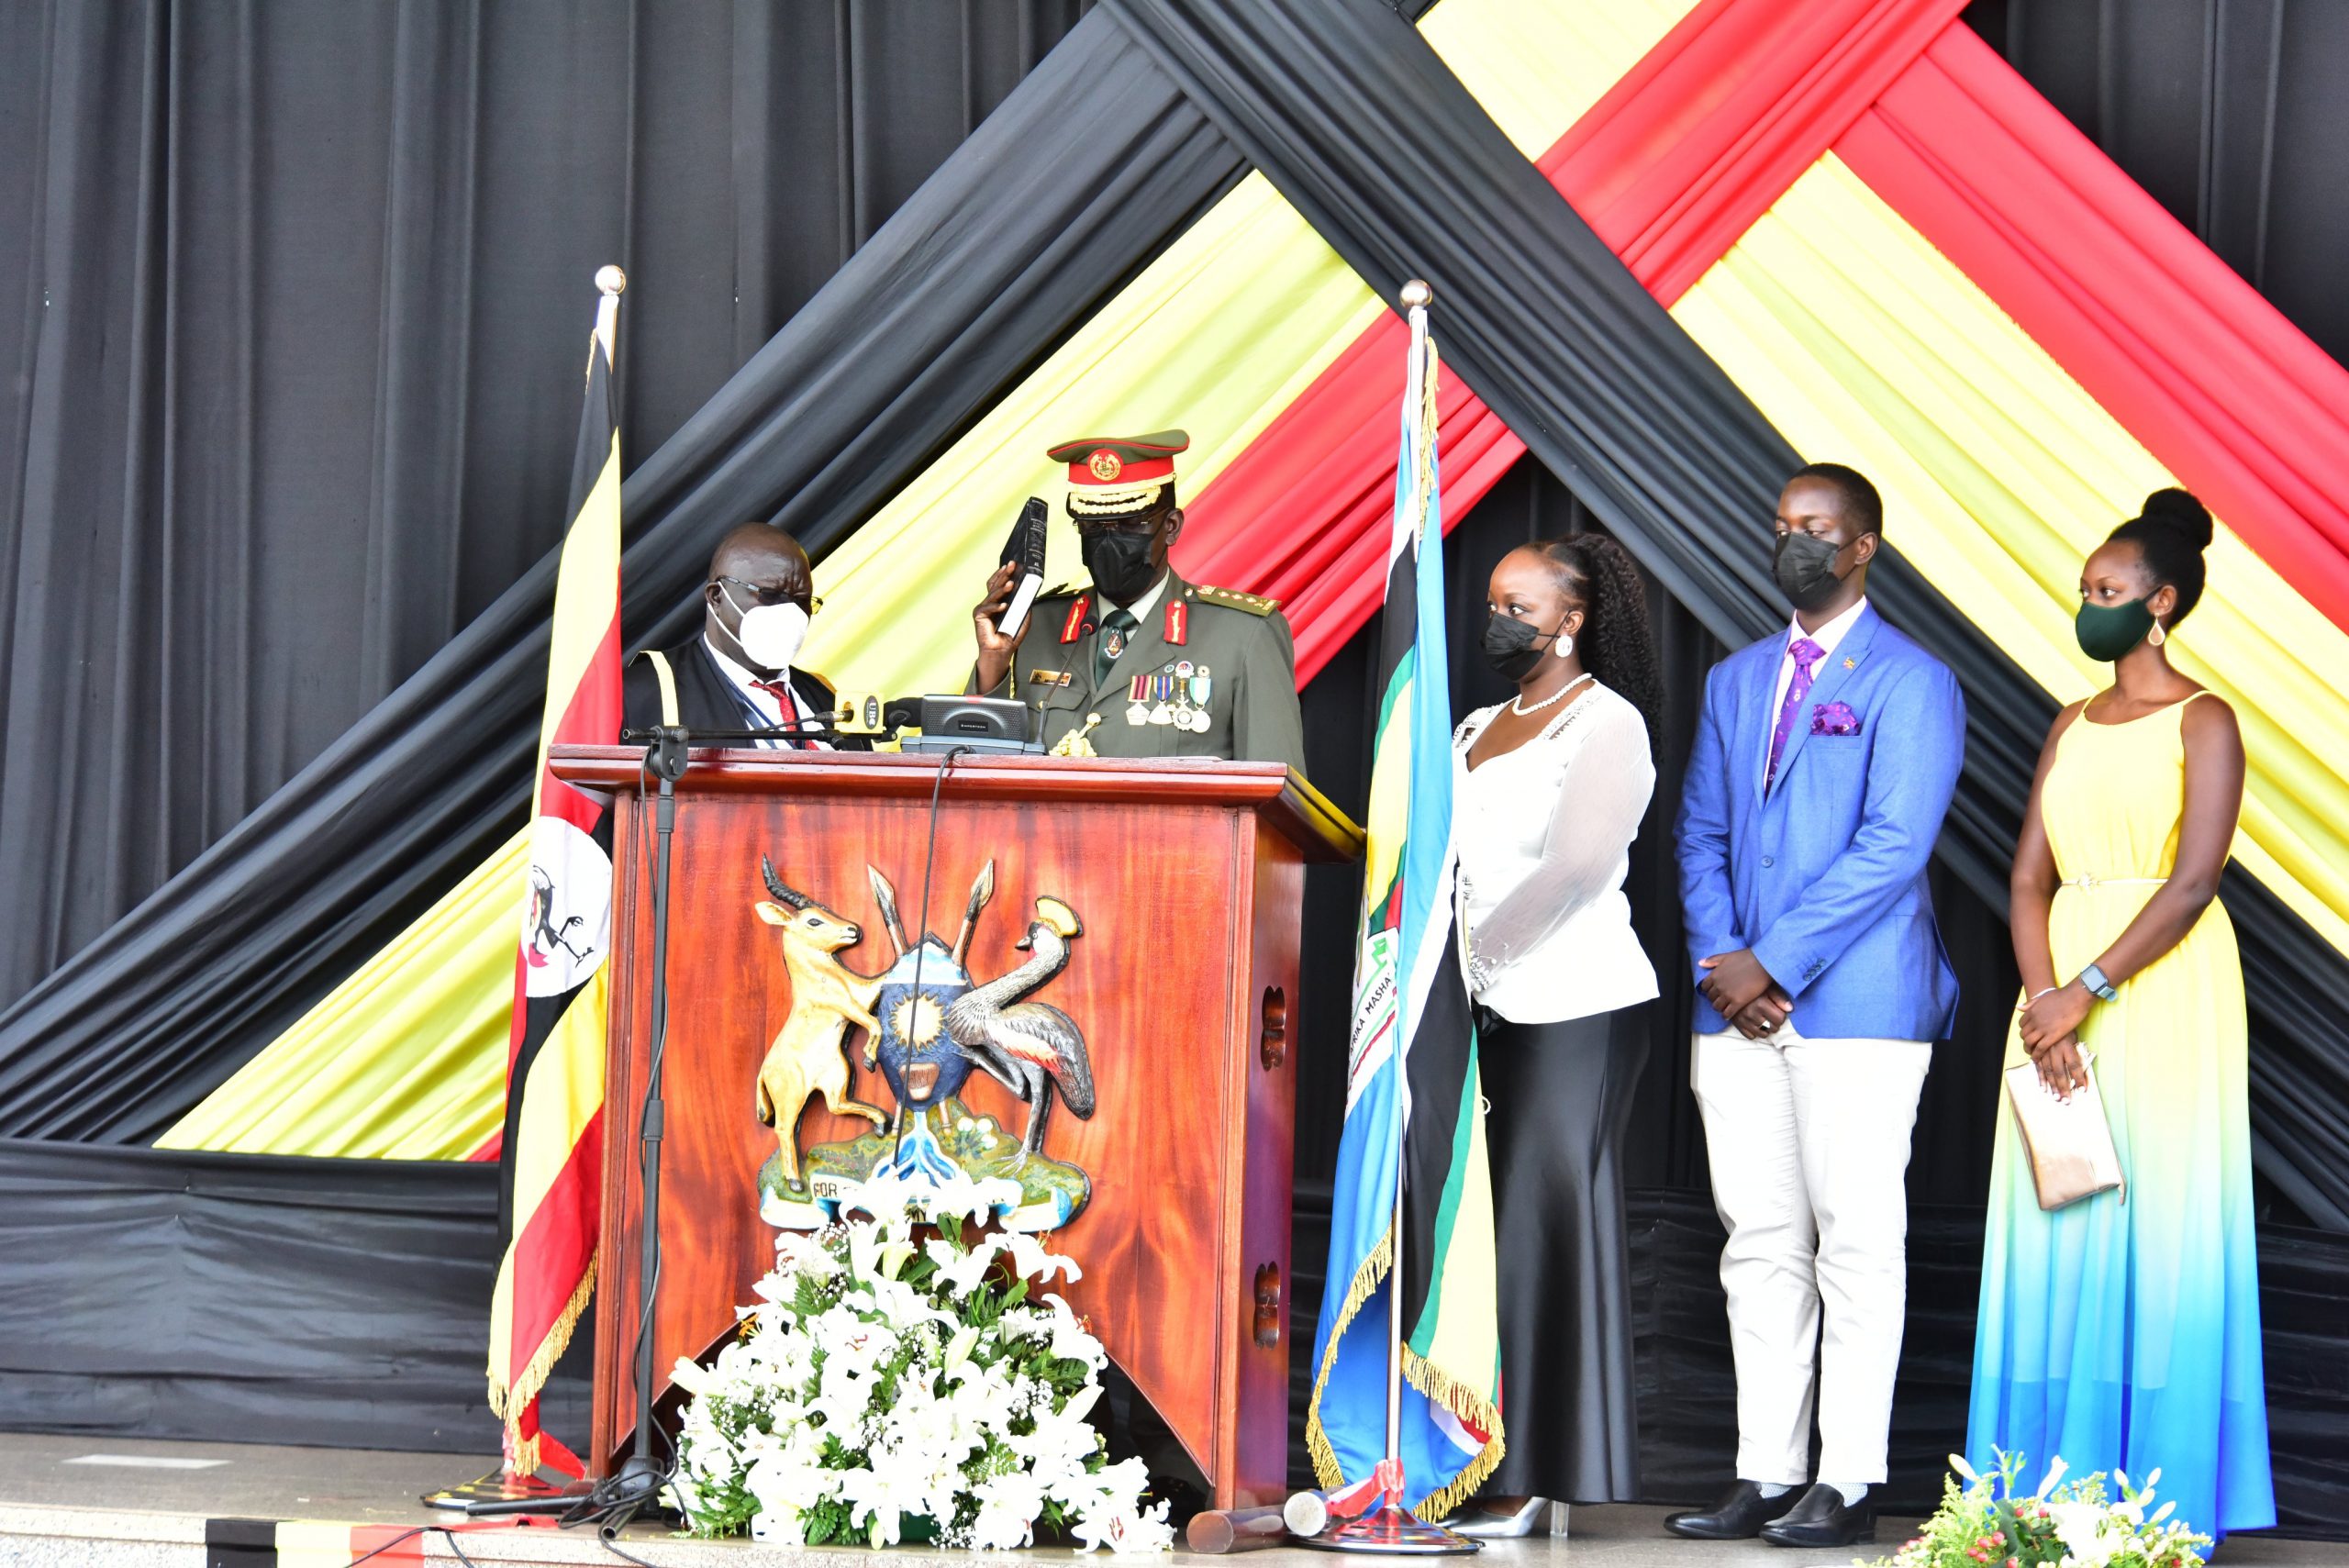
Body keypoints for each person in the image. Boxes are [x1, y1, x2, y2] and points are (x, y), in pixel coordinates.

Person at [1966, 489, 2274, 1539]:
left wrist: (2083, 992)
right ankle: (2040, 1492)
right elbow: (2026, 878)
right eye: (2084, 588)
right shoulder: (2068, 721)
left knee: (2156, 1211)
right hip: (2054, 988)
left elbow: (2192, 883)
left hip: (2161, 984)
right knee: (2059, 1211)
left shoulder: (2204, 718)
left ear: (2160, 603)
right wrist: (2042, 1001)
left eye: (2106, 589)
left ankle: (2152, 1498)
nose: (2087, 603)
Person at [1669, 463, 1965, 1551]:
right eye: (1780, 523)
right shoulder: (1735, 678)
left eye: (1816, 527)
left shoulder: (1913, 680)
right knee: (1756, 1243)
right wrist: (1723, 961)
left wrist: (1774, 961)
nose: (1791, 540)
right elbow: (1699, 833)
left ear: (1861, 547)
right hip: (1733, 1007)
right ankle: (1765, 1469)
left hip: (1859, 1005)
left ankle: (1848, 1478)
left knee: (1855, 1244)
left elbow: (1894, 844)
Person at [1443, 535, 1665, 1539]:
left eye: (1520, 607)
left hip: (1573, 1006)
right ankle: (1477, 1450)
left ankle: (1539, 1473)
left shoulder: (1606, 721)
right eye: (1493, 601)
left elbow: (1576, 866)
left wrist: (1476, 964)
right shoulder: (1475, 725)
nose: (1498, 620)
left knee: (1544, 1232)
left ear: (1570, 621)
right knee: (1487, 1241)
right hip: (1480, 1008)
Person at [969, 430, 1307, 775]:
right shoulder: (1036, 627)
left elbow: (1275, 794)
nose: (1109, 541)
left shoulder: (1244, 635)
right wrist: (994, 661)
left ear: (1171, 527)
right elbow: (972, 773)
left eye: (1130, 524)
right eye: (1093, 526)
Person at [621, 522, 868, 751]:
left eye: (802, 600)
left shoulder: (828, 700)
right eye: (768, 595)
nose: (790, 612)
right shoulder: (644, 694)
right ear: (717, 597)